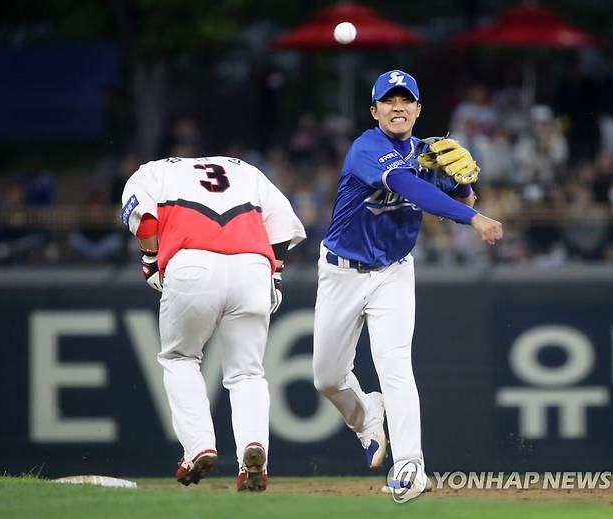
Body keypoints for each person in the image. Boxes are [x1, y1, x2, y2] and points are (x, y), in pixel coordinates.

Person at [312, 70, 503, 500]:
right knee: (326, 377)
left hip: (394, 273)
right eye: (389, 101)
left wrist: (466, 183)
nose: (398, 107)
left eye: (406, 101)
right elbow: (407, 185)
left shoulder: (427, 152)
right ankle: (366, 419)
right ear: (374, 111)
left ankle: (410, 465)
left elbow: (461, 197)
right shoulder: (367, 148)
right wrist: (473, 218)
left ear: (418, 109)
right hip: (341, 271)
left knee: (395, 364)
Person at [121, 155, 306, 491]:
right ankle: (254, 448)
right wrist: (275, 272)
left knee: (180, 359)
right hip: (252, 266)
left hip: (192, 262)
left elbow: (144, 222)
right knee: (247, 372)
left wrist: (150, 258)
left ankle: (198, 447)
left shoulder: (152, 170)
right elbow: (282, 220)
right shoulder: (243, 168)